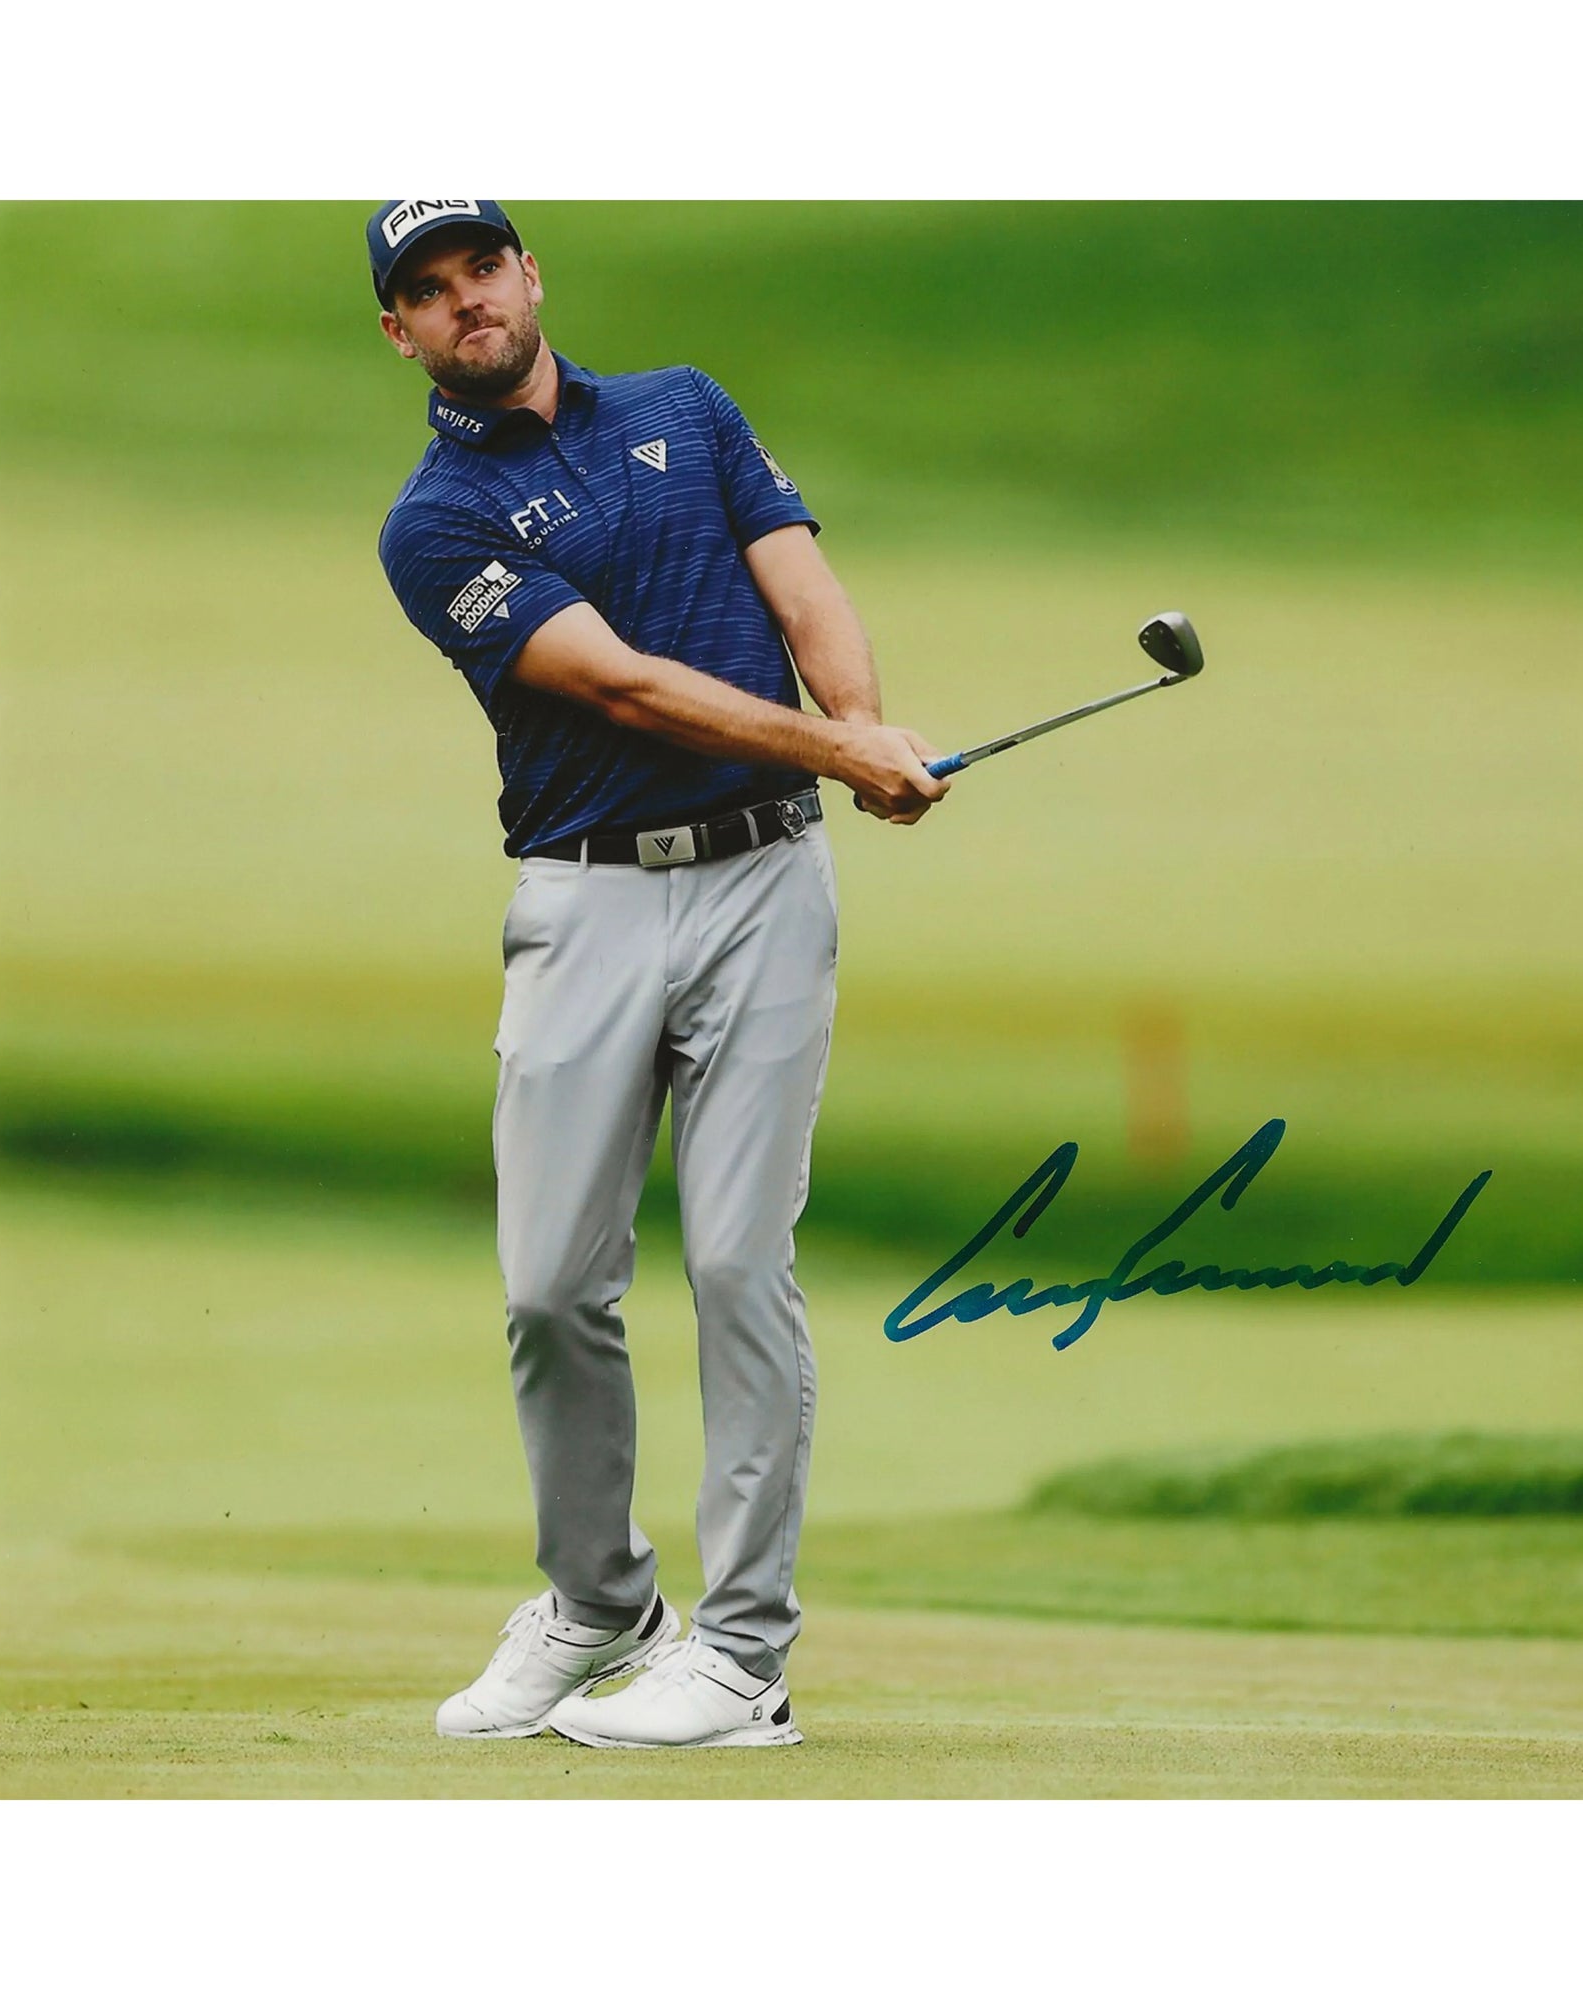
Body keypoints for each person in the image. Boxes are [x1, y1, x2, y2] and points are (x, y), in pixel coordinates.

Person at [370, 199, 947, 1749]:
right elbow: (617, 686)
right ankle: (603, 1603)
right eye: (427, 291)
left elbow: (801, 591)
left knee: (743, 1269)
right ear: (401, 334)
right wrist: (844, 749)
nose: (465, 300)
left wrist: (865, 729)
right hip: (586, 903)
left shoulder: (689, 411)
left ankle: (744, 1658)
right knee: (554, 1285)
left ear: (528, 273)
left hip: (768, 883)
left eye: (481, 266)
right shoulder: (431, 527)